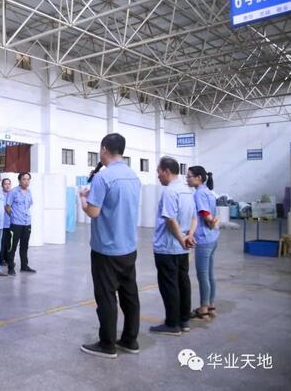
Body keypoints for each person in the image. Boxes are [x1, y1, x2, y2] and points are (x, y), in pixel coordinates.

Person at [78, 133, 141, 359]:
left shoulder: (103, 178)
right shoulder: (133, 176)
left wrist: (82, 198)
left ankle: (107, 344)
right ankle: (130, 340)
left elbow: (93, 212)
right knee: (129, 295)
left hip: (106, 249)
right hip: (129, 247)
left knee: (106, 297)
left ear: (104, 149)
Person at [150, 156, 197, 336]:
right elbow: (194, 218)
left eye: (159, 172)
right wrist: (189, 236)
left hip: (168, 246)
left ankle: (172, 324)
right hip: (181, 248)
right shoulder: (187, 191)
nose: (158, 176)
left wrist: (181, 239)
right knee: (182, 282)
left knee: (169, 284)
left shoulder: (170, 191)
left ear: (167, 171)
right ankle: (184, 320)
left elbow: (170, 220)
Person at [186, 166, 220, 320]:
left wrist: (210, 221)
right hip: (213, 238)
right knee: (210, 274)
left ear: (199, 177)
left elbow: (204, 213)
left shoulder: (199, 193)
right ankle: (211, 306)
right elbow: (214, 213)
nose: (187, 179)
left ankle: (203, 309)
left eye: (189, 176)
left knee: (203, 275)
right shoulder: (209, 192)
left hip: (204, 239)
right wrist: (213, 223)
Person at [6, 172, 36, 275]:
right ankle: (10, 267)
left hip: (27, 223)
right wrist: (14, 217)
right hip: (16, 224)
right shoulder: (13, 192)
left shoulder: (29, 192)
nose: (26, 181)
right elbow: (7, 207)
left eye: (28, 179)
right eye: (24, 179)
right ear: (19, 180)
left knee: (24, 246)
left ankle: (24, 266)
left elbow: (28, 205)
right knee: (12, 246)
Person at [0, 178, 12, 267]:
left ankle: (8, 259)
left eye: (9, 184)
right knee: (1, 243)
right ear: (2, 185)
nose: (7, 186)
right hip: (2, 223)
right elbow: (6, 208)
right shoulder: (1, 195)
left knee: (9, 243)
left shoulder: (12, 194)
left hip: (10, 223)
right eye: (5, 184)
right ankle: (1, 260)